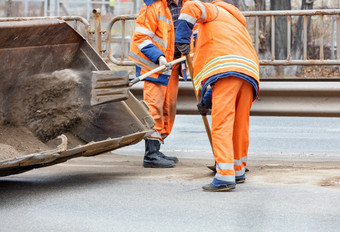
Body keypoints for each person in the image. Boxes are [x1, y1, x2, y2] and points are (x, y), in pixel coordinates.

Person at [175, 0, 260, 191]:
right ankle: (238, 170)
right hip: (248, 72)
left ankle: (224, 177)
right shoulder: (234, 22)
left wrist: (182, 36)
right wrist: (206, 100)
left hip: (227, 69)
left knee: (221, 124)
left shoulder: (213, 10)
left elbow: (192, 7)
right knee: (240, 123)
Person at [129, 0, 189, 168]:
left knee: (168, 109)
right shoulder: (152, 5)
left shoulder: (187, 4)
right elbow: (141, 37)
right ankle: (151, 155)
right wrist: (158, 56)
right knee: (154, 108)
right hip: (155, 66)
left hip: (173, 66)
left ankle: (157, 149)